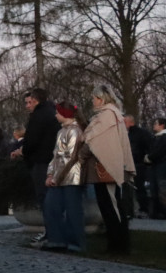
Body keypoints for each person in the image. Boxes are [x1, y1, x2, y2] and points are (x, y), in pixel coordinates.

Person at [80, 85, 136, 255]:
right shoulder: (112, 114)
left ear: (102, 98)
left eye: (94, 98)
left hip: (106, 167)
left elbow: (93, 140)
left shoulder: (107, 115)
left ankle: (118, 245)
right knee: (109, 205)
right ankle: (116, 243)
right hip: (105, 167)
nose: (92, 101)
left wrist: (81, 154)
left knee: (111, 206)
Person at [10, 88, 59, 244]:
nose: (27, 106)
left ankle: (51, 233)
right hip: (50, 160)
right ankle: (53, 232)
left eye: (28, 102)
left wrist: (21, 151)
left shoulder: (39, 116)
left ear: (35, 101)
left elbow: (32, 140)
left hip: (41, 161)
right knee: (49, 198)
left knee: (44, 197)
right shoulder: (51, 112)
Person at [42, 102, 86, 253]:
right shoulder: (61, 131)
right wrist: (50, 174)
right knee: (51, 206)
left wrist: (56, 178)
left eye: (58, 112)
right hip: (58, 176)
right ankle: (56, 240)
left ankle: (75, 243)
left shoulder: (75, 131)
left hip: (72, 176)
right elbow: (55, 155)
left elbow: (71, 157)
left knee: (73, 209)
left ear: (65, 114)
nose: (55, 115)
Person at [123, 114, 153, 218]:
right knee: (128, 189)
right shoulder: (124, 134)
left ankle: (144, 209)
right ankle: (129, 210)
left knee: (139, 188)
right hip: (127, 165)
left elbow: (150, 146)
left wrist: (147, 158)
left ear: (131, 122)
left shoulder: (141, 133)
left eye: (125, 122)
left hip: (138, 164)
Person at [148, 117, 166, 219]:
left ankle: (163, 212)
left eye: (156, 123)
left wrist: (149, 157)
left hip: (162, 166)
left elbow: (159, 151)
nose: (154, 125)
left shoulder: (163, 137)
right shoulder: (156, 137)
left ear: (162, 125)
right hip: (155, 166)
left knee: (162, 189)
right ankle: (156, 212)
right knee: (154, 189)